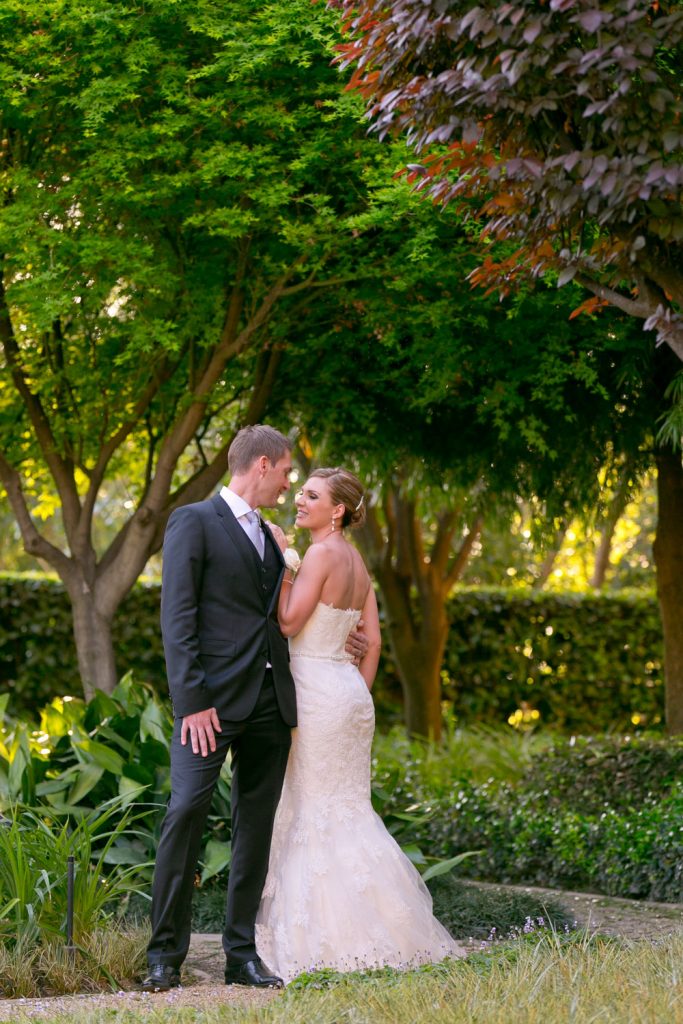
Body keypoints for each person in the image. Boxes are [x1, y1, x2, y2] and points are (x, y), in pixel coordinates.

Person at [142, 426, 368, 992]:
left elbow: (286, 616)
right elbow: (178, 619)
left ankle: (240, 954)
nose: (291, 483)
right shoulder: (193, 521)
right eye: (287, 471)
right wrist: (192, 701)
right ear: (262, 465)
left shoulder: (274, 539)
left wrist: (344, 643)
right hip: (210, 708)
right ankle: (164, 955)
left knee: (256, 826)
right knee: (186, 812)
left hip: (272, 702)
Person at [255, 467, 462, 983]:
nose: (299, 500)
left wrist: (284, 562)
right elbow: (370, 641)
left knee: (313, 809)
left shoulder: (322, 554)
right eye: (300, 492)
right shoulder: (359, 563)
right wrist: (354, 687)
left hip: (315, 692)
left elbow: (286, 623)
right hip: (346, 694)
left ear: (338, 510)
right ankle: (387, 930)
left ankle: (323, 939)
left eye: (311, 495)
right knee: (347, 809)